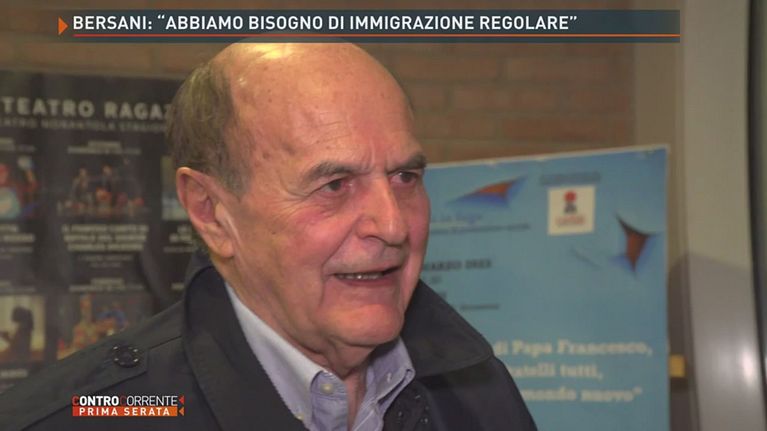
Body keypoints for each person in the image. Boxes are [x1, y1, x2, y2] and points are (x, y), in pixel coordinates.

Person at [0, 43, 537, 430]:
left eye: (405, 177)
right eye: (334, 185)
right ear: (211, 212)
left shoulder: (478, 391)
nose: (393, 225)